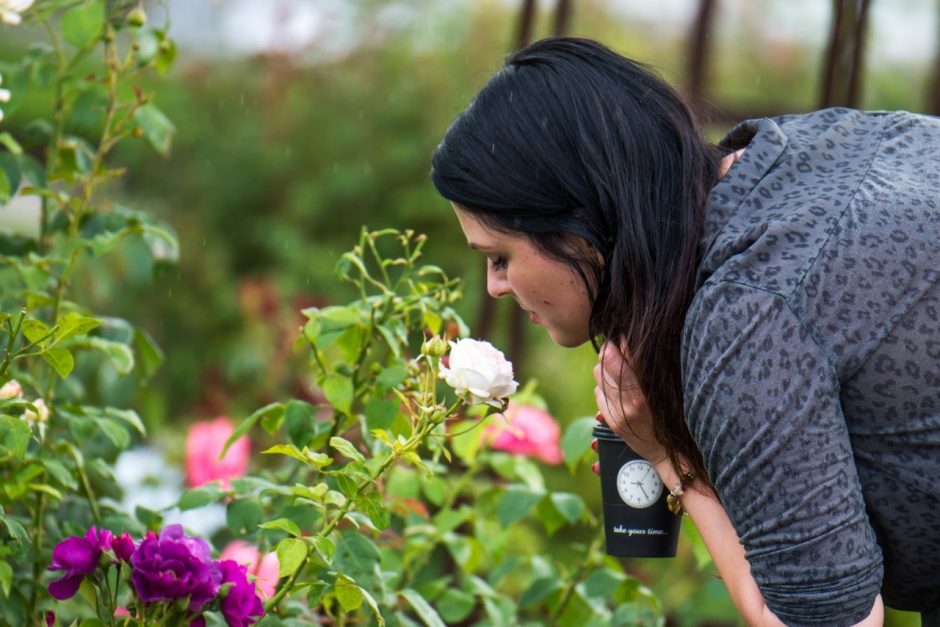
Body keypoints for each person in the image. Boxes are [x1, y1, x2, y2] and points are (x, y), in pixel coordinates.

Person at [430, 37, 940, 626]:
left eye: (499, 258)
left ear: (579, 227)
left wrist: (673, 460)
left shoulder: (748, 313)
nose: (495, 286)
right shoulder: (817, 144)